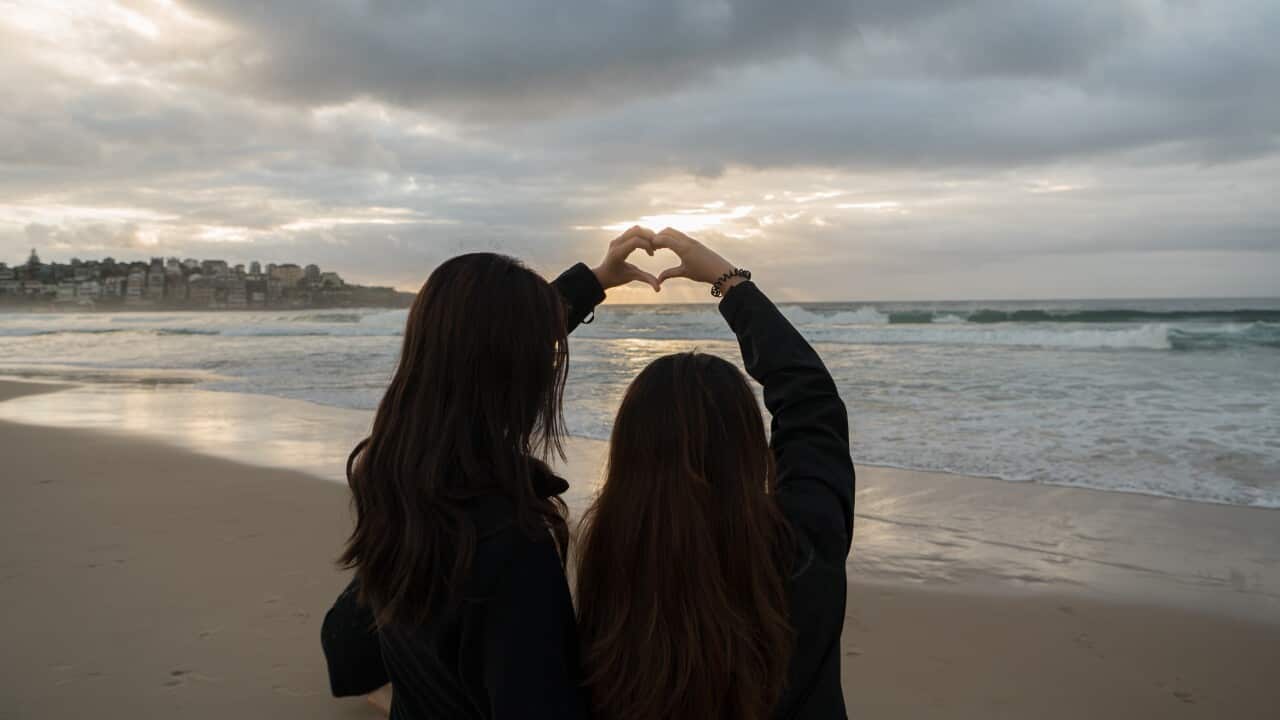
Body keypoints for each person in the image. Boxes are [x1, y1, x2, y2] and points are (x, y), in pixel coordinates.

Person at [321, 230, 662, 719]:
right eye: (543, 356)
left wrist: (592, 282)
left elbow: (346, 660)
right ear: (520, 378)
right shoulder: (509, 546)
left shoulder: (404, 486)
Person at [574, 229, 855, 719]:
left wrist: (587, 286)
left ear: (629, 450)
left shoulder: (610, 551)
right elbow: (812, 402)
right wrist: (730, 282)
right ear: (748, 446)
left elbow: (470, 400)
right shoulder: (803, 539)